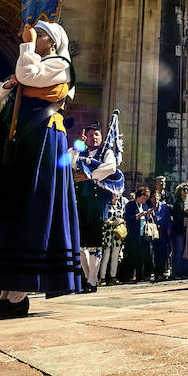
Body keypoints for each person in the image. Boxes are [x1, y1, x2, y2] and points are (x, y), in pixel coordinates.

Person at [0, 21, 82, 320]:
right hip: (23, 142)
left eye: (41, 34)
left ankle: (17, 295)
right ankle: (6, 292)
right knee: (12, 209)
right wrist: (9, 84)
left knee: (33, 209)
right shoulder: (32, 66)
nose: (33, 36)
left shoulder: (59, 65)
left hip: (44, 139)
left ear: (55, 41)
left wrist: (25, 47)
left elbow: (26, 74)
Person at [74, 120, 122, 292]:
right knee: (80, 244)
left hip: (97, 203)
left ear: (101, 137)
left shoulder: (106, 152)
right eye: (90, 134)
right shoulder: (80, 152)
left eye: (96, 134)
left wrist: (89, 176)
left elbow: (110, 168)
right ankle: (88, 278)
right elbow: (69, 161)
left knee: (95, 244)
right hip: (80, 202)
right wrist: (78, 146)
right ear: (85, 137)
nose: (93, 137)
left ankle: (92, 282)